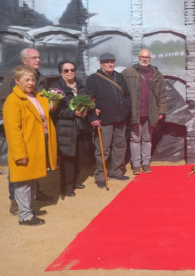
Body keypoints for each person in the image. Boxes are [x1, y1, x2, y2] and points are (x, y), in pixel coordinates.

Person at [3, 66, 57, 225]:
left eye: (33, 79)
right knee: (23, 183)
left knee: (32, 181)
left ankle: (29, 210)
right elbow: (13, 131)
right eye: (26, 79)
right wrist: (20, 154)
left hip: (37, 146)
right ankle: (24, 216)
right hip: (25, 148)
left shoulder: (38, 97)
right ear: (17, 81)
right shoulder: (13, 101)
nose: (31, 83)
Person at [0, 48, 49, 216]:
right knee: (19, 169)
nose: (38, 60)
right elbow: (4, 102)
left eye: (39, 57)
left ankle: (30, 200)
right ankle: (16, 201)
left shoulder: (40, 77)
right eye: (34, 57)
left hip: (36, 132)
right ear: (24, 61)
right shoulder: (11, 79)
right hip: (20, 132)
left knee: (33, 168)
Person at [86, 53, 131, 188]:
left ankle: (116, 171)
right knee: (103, 149)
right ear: (101, 64)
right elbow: (88, 99)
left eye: (112, 62)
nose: (110, 64)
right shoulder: (93, 79)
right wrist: (92, 116)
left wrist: (126, 110)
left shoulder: (120, 77)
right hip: (104, 119)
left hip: (120, 119)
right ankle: (100, 175)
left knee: (120, 146)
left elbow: (127, 96)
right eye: (107, 62)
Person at [50, 61, 92, 197]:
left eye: (72, 70)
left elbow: (88, 101)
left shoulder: (80, 85)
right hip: (65, 128)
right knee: (67, 158)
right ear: (61, 72)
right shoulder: (56, 88)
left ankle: (74, 181)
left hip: (80, 127)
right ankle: (66, 187)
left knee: (79, 156)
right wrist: (73, 113)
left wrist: (87, 109)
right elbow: (56, 111)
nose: (69, 72)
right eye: (66, 70)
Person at [122, 49, 167, 175]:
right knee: (135, 139)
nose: (145, 59)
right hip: (135, 113)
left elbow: (162, 94)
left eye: (147, 57)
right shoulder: (128, 72)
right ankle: (136, 164)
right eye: (142, 56)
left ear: (150, 59)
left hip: (151, 112)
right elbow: (120, 91)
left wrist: (161, 111)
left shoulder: (157, 74)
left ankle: (146, 163)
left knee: (147, 139)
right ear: (138, 57)